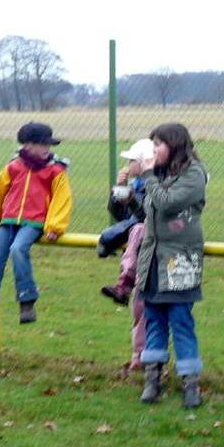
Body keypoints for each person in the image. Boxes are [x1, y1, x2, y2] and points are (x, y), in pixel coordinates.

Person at [0, 122, 73, 338]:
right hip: (8, 222)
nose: (47, 149)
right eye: (43, 145)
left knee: (18, 250)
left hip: (33, 223)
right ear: (28, 145)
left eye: (49, 145)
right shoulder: (12, 167)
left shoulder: (55, 170)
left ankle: (27, 300)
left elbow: (63, 199)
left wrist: (55, 226)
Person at [128, 123, 208, 408]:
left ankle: (191, 385)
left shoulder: (194, 175)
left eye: (158, 144)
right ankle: (153, 379)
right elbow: (148, 215)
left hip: (179, 261)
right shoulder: (157, 176)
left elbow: (167, 203)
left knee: (181, 323)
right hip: (152, 262)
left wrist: (148, 176)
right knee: (154, 322)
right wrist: (125, 200)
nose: (153, 151)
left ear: (174, 145)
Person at [100, 139, 154, 371]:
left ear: (143, 162)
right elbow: (120, 214)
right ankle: (139, 357)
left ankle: (125, 281)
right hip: (140, 250)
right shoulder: (136, 183)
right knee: (140, 306)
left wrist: (131, 198)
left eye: (131, 160)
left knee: (146, 305)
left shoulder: (154, 185)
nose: (128, 164)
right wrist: (117, 194)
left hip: (152, 252)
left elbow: (142, 218)